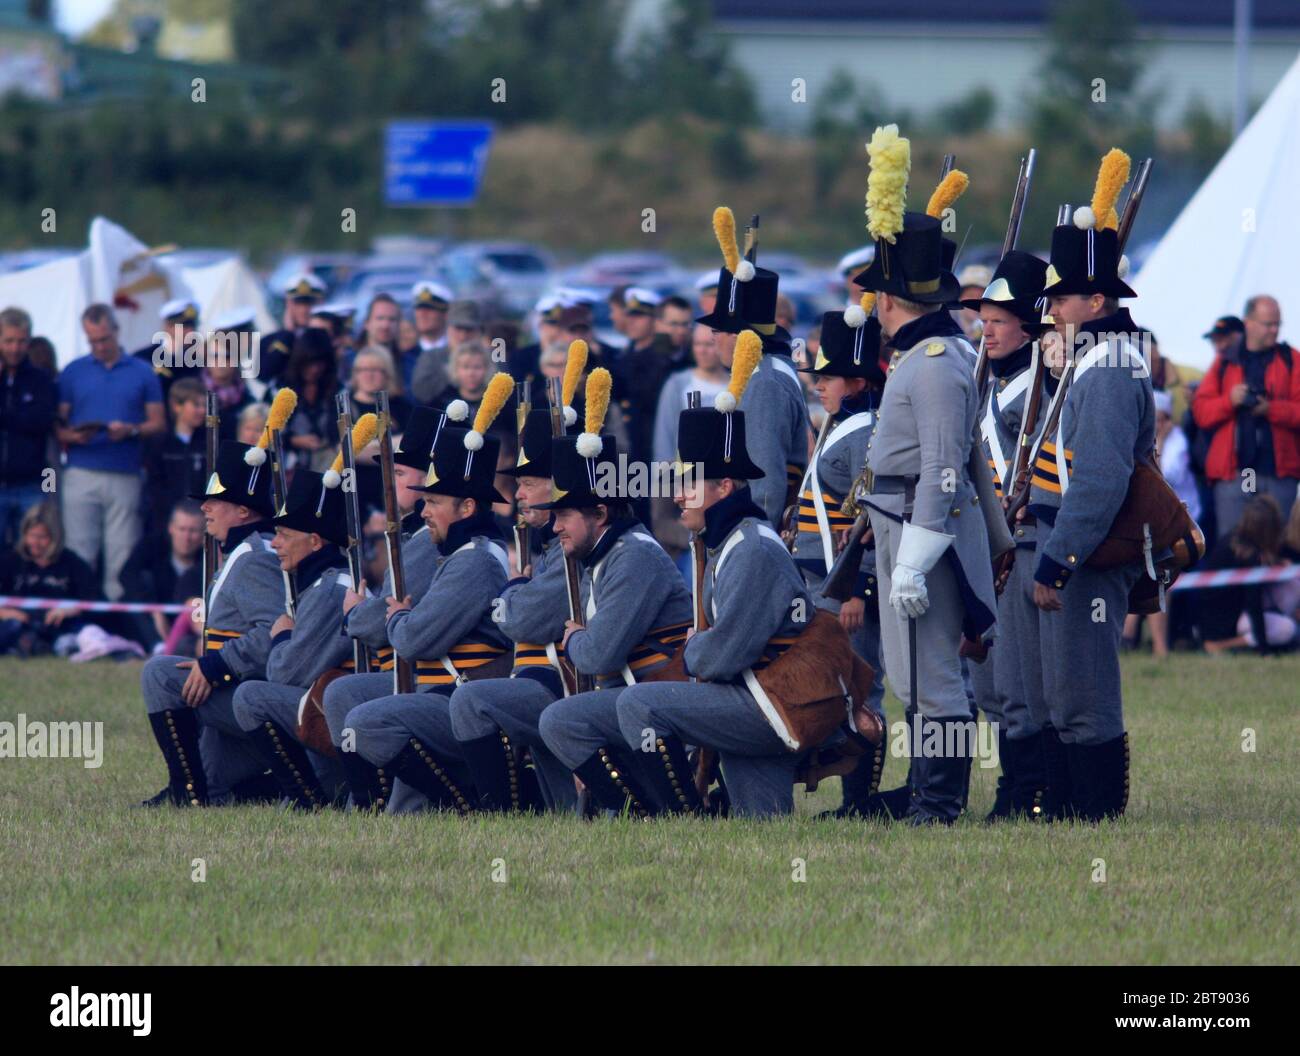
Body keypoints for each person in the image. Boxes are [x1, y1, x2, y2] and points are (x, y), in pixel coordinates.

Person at [617, 335, 868, 817]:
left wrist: (692, 648)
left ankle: (678, 816)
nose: (677, 498)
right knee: (763, 824)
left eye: (689, 485)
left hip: (772, 701)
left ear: (724, 486)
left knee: (638, 707)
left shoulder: (751, 547)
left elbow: (722, 656)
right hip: (758, 694)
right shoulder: (728, 539)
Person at [851, 126, 996, 825]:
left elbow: (944, 468)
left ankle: (939, 804)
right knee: (912, 675)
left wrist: (914, 558)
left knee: (933, 679)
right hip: (902, 531)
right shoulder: (922, 357)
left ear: (891, 298)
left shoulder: (935, 361)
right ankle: (925, 792)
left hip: (921, 536)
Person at [1029, 157, 1155, 823]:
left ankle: (1096, 809)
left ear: (1097, 304)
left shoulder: (1107, 368)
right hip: (1068, 542)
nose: (1050, 308)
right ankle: (1068, 802)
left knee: (1084, 689)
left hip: (1088, 550)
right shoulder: (1087, 359)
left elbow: (1101, 480)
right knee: (1060, 688)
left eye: (1062, 299)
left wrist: (1058, 559)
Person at [337, 385, 516, 813]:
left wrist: (392, 618)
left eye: (433, 500)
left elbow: (415, 639)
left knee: (367, 719)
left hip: (460, 688)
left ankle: (458, 802)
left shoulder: (473, 560)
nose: (424, 509)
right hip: (438, 683)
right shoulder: (453, 550)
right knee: (349, 698)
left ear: (467, 507)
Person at [535, 371, 694, 817]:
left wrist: (573, 639)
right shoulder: (605, 553)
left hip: (659, 693)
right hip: (632, 694)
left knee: (560, 720)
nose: (555, 526)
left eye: (565, 515)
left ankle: (644, 812)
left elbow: (599, 655)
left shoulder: (633, 556)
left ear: (600, 512)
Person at [324, 404, 464, 810]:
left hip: (441, 677)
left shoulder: (424, 542)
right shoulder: (415, 536)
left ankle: (390, 802)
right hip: (415, 666)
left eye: (401, 473)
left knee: (358, 703)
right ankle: (365, 797)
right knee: (342, 694)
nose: (391, 480)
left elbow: (385, 618)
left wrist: (354, 613)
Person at [447, 402, 578, 812]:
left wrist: (514, 588)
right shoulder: (554, 546)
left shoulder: (568, 552)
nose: (517, 494)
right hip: (541, 674)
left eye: (528, 482)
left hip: (565, 682)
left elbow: (520, 619)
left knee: (471, 702)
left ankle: (495, 813)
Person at [958, 250, 1052, 818]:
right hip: (981, 545)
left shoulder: (1042, 385)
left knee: (1019, 685)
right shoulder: (984, 383)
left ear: (1027, 325)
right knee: (988, 684)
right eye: (983, 320)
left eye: (997, 321)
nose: (985, 331)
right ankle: (1014, 789)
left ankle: (1025, 794)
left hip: (1017, 547)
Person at [138, 440, 283, 807]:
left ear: (243, 510)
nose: (205, 507)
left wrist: (218, 664)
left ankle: (185, 791)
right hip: (230, 688)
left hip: (248, 691)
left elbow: (274, 631)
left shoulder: (253, 558)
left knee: (159, 673)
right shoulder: (243, 552)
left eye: (215, 501)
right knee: (218, 789)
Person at [791, 306, 888, 817]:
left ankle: (864, 800)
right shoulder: (842, 425)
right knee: (838, 687)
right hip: (825, 583)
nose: (819, 387)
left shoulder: (865, 431)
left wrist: (858, 591)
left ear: (855, 380)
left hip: (847, 587)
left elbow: (868, 520)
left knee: (862, 689)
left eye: (827, 378)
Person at [231, 469, 358, 809]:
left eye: (285, 535)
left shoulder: (329, 589)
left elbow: (287, 673)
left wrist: (282, 635)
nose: (274, 544)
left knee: (250, 697)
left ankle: (308, 798)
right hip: (326, 703)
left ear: (315, 542)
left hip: (335, 711)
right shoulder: (322, 584)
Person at [698, 207, 809, 528]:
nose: (713, 339)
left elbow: (764, 483)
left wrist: (757, 537)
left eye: (718, 331)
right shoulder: (771, 369)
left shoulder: (763, 382)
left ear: (738, 337)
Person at [57, 303, 166, 601]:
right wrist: (71, 435)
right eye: (92, 341)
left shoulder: (142, 372)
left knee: (122, 551)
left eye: (104, 339)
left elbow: (157, 422)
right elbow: (58, 422)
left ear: (116, 332)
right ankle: (80, 616)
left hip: (125, 471)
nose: (99, 346)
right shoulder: (73, 371)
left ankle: (119, 617)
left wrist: (130, 430)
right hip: (81, 470)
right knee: (79, 549)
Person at [1193, 294, 1299, 537]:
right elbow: (1202, 413)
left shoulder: (1291, 360)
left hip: (1278, 474)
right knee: (1234, 548)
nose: (1274, 330)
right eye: (1268, 324)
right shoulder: (1225, 362)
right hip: (1237, 474)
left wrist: (1270, 409)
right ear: (1248, 322)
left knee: (1275, 547)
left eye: (1277, 324)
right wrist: (1229, 401)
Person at [0, 503, 98, 657]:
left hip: (61, 624)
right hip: (17, 622)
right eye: (31, 535)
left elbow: (92, 599)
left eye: (42, 537)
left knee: (85, 632)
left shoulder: (72, 563)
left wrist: (69, 610)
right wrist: (5, 612)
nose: (35, 543)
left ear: (55, 537)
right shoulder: (11, 561)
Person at [1200, 495, 1295, 653]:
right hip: (1226, 620)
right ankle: (1222, 645)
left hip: (1236, 607)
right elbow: (1254, 606)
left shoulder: (1238, 538)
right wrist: (1264, 649)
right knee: (1287, 630)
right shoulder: (1248, 555)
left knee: (1292, 583)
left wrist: (1277, 564)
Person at [0, 306, 56, 547]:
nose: (15, 348)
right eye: (9, 341)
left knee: (31, 551)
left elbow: (40, 422)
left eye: (21, 341)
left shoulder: (41, 379)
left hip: (30, 482)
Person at [120, 500, 204, 653]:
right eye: (182, 529)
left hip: (190, 627)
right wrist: (154, 609)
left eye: (193, 531)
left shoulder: (208, 561)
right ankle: (156, 646)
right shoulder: (151, 546)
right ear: (171, 528)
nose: (187, 537)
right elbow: (127, 575)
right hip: (149, 623)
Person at [142, 377, 208, 535]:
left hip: (202, 523)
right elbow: (154, 485)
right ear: (177, 406)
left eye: (204, 406)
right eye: (196, 405)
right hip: (165, 523)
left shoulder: (209, 443)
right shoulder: (159, 444)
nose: (202, 411)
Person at [282, 328, 341, 472]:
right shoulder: (281, 389)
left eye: (320, 364)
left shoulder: (338, 391)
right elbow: (264, 431)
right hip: (288, 470)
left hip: (328, 469)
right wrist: (293, 441)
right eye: (309, 363)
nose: (314, 369)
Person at [261, 273, 327, 384]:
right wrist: (287, 335)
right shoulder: (271, 340)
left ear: (321, 304)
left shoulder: (330, 339)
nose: (304, 310)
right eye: (298, 303)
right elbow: (264, 373)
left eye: (310, 303)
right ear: (288, 304)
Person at [133, 299, 201, 397]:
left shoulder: (198, 362)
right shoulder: (144, 358)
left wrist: (212, 412)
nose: (191, 331)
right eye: (184, 326)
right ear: (168, 326)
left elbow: (210, 395)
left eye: (193, 325)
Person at [408, 280, 454, 404]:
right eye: (419, 308)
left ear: (445, 314)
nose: (422, 314)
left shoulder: (455, 355)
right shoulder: (407, 356)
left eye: (429, 309)